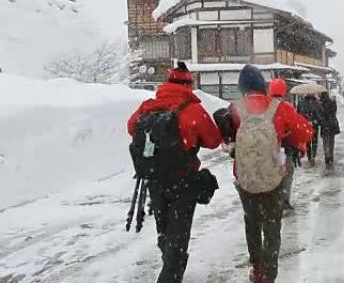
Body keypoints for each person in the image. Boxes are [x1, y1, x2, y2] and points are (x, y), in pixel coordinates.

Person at [214, 65, 312, 283]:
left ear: (242, 88)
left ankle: (256, 268)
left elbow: (224, 139)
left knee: (252, 222)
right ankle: (269, 274)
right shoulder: (279, 108)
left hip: (245, 177)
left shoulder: (235, 108)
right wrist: (286, 135)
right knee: (272, 225)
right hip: (273, 177)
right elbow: (306, 131)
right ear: (262, 85)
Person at [127, 62, 222, 283]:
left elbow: (132, 127)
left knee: (165, 228)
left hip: (154, 178)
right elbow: (213, 140)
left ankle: (169, 260)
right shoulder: (192, 109)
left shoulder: (148, 106)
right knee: (179, 234)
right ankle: (171, 272)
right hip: (183, 179)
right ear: (188, 84)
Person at [268, 78, 306, 210]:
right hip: (286, 148)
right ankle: (284, 200)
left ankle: (271, 200)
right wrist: (301, 146)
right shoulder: (287, 107)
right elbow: (297, 130)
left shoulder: (264, 106)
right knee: (287, 173)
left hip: (267, 148)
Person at [297, 94, 323, 166]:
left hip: (307, 124)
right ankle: (312, 155)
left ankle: (310, 156)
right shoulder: (316, 102)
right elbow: (320, 112)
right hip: (313, 124)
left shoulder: (302, 101)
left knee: (309, 141)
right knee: (313, 141)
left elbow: (298, 113)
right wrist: (317, 120)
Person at [319, 92, 341, 171]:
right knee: (331, 141)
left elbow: (320, 114)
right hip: (332, 124)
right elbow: (334, 111)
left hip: (325, 124)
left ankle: (327, 156)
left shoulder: (320, 103)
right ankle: (330, 156)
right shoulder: (332, 102)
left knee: (325, 141)